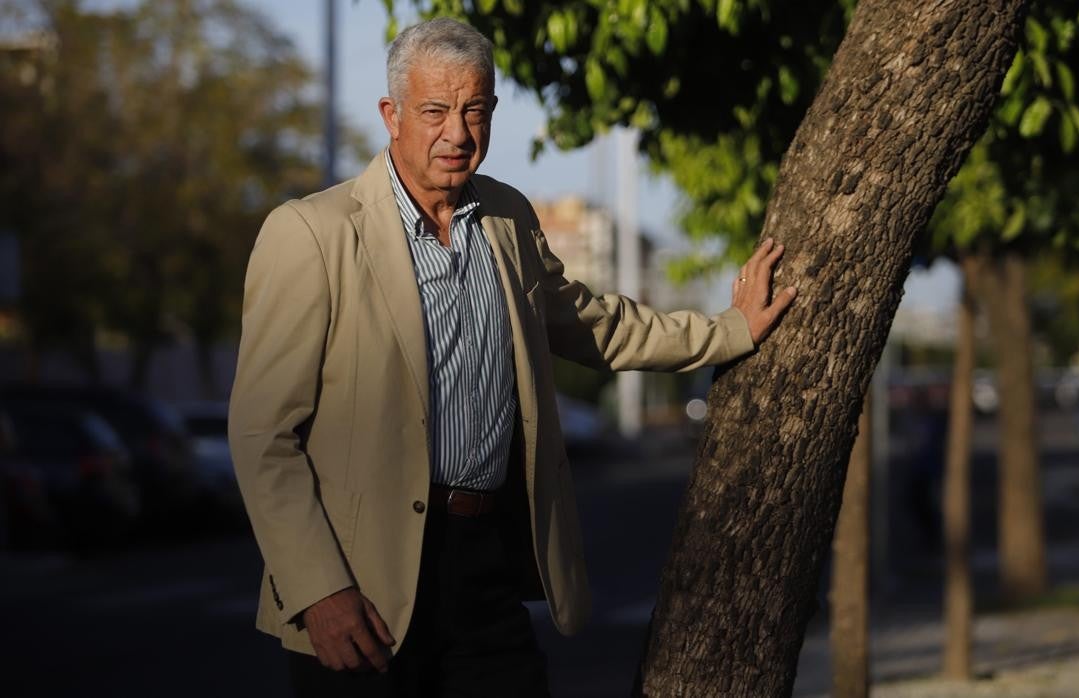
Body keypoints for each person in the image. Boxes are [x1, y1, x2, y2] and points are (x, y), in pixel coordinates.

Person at [228, 17, 796, 697]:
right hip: (360, 579)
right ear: (392, 115)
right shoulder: (310, 234)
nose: (458, 133)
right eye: (435, 111)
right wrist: (320, 589)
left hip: (486, 562)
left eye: (475, 110)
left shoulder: (508, 218)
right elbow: (263, 435)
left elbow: (598, 327)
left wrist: (732, 330)